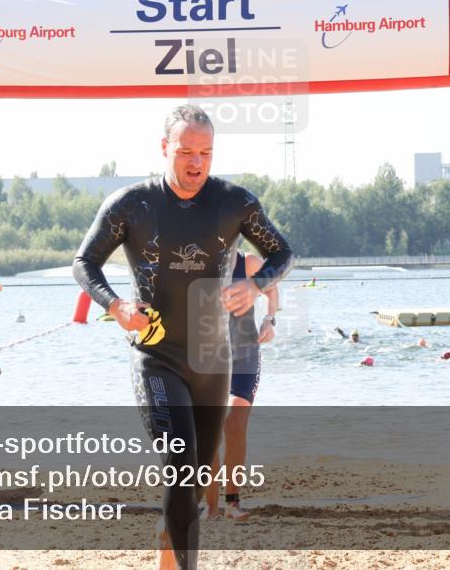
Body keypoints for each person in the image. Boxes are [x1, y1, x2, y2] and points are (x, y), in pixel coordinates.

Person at [73, 105, 293, 570]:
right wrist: (116, 305)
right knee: (181, 465)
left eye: (206, 152)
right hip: (158, 356)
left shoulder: (234, 202)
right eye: (186, 151)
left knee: (195, 479)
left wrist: (254, 286)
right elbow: (85, 263)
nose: (196, 162)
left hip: (214, 358)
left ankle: (169, 542)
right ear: (164, 148)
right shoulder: (132, 204)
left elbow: (281, 252)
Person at [203, 250, 279, 521]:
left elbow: (271, 288)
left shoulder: (248, 263)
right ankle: (210, 508)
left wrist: (270, 320)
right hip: (207, 361)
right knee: (208, 433)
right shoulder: (196, 261)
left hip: (244, 357)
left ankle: (232, 503)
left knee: (234, 425)